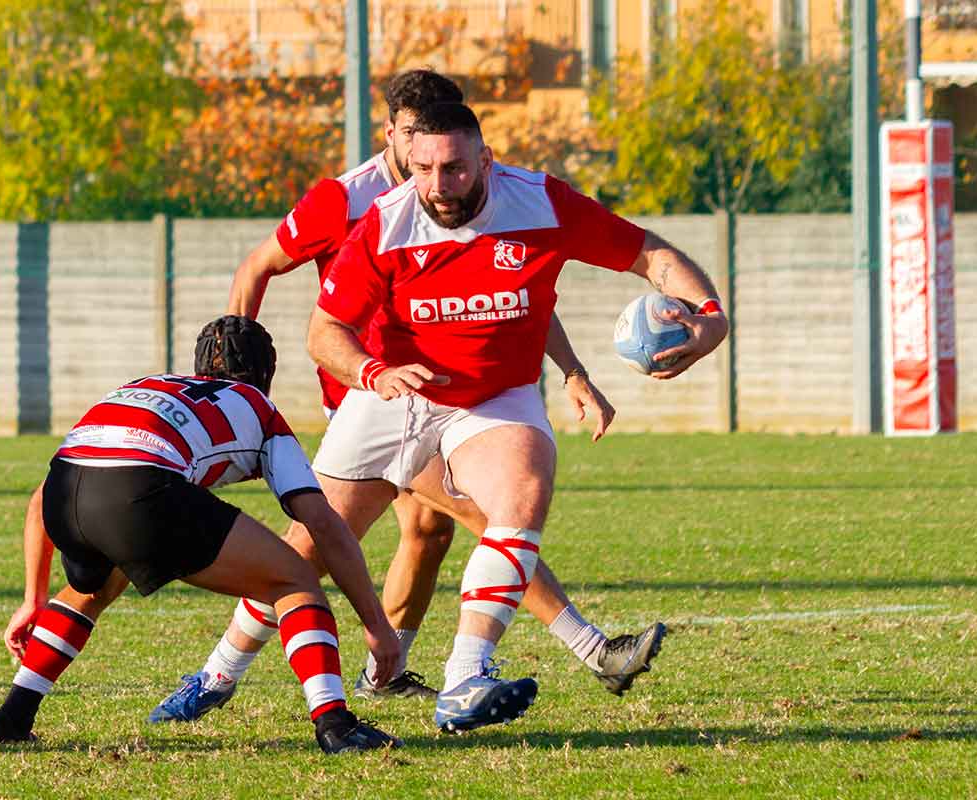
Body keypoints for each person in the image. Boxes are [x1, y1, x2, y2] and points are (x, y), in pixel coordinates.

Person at [148, 71, 666, 726]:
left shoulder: (479, 195)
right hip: (371, 400)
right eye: (415, 144)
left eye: (446, 154)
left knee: (431, 533)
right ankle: (590, 652)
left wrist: (570, 370)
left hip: (458, 399)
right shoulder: (347, 200)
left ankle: (380, 673)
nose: (437, 172)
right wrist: (236, 389)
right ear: (392, 133)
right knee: (467, 524)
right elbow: (260, 269)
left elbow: (519, 301)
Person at [300, 101, 728, 733]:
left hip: (487, 401)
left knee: (495, 507)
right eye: (422, 167)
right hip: (386, 398)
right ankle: (218, 673)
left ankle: (462, 675)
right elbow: (308, 312)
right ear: (396, 141)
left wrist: (708, 314)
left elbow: (630, 261)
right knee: (311, 548)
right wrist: (254, 362)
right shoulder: (366, 210)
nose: (439, 185)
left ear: (484, 159)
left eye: (453, 168)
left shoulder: (540, 204)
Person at [0, 315, 402, 754]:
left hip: (66, 495)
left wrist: (33, 598)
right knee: (295, 580)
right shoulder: (258, 406)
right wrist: (375, 624)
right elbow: (323, 522)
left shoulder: (145, 384)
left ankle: (9, 718)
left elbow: (39, 499)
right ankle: (335, 723)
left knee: (92, 590)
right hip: (138, 492)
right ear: (266, 374)